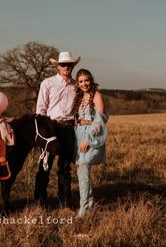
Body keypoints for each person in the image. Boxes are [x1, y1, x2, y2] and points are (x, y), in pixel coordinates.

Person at [34, 51, 80, 208]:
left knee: (65, 168)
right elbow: (40, 109)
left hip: (68, 128)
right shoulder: (48, 83)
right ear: (58, 66)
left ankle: (65, 202)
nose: (66, 67)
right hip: (51, 128)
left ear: (72, 66)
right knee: (45, 165)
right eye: (63, 64)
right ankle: (40, 201)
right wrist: (43, 131)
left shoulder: (76, 85)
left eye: (69, 65)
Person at [72, 68, 108, 218]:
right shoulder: (79, 97)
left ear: (91, 80)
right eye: (80, 81)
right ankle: (89, 204)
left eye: (86, 80)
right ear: (77, 83)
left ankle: (83, 209)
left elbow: (100, 121)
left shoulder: (97, 96)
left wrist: (88, 139)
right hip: (78, 134)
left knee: (84, 169)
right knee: (81, 172)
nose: (84, 84)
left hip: (90, 136)